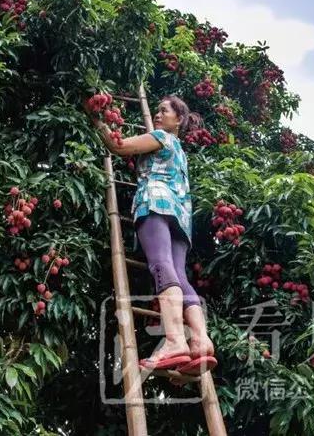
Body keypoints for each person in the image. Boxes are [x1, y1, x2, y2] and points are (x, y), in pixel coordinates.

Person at [89, 95, 218, 376]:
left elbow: (117, 145)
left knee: (161, 265)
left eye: (164, 111)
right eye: (156, 110)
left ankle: (174, 340)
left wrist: (96, 119)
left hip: (155, 202)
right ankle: (200, 341)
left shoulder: (160, 137)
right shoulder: (180, 151)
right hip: (181, 216)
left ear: (178, 120)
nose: (158, 116)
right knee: (180, 276)